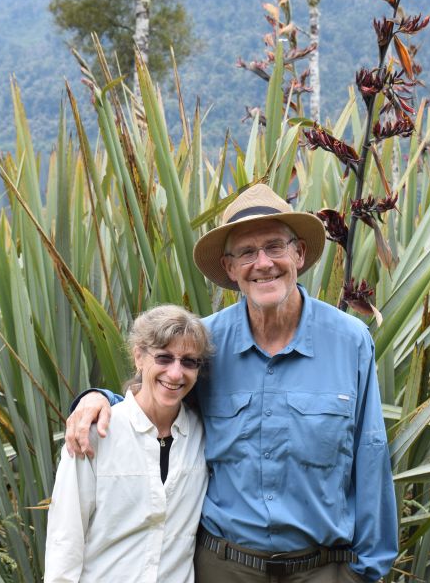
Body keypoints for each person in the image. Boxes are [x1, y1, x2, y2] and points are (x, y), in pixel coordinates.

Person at [67, 184, 399, 582]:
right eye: (246, 252)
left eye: (275, 247)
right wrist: (96, 398)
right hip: (225, 567)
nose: (263, 263)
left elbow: (372, 453)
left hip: (324, 570)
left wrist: (366, 573)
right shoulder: (205, 344)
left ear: (299, 254)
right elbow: (156, 401)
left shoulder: (349, 340)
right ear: (229, 268)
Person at [45, 305, 214, 582]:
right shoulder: (97, 433)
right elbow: (66, 536)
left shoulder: (202, 434)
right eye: (163, 358)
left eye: (188, 362)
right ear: (139, 356)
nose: (175, 373)